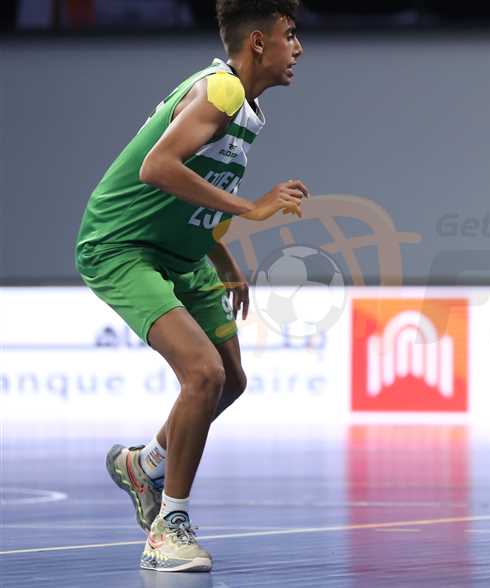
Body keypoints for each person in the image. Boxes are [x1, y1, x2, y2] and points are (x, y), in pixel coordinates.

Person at [75, 0, 307, 573]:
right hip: (122, 247)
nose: (298, 48)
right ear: (258, 42)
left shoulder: (246, 108)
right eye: (289, 35)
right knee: (202, 374)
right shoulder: (220, 90)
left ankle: (143, 465)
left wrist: (222, 255)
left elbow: (193, 187)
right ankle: (167, 529)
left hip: (184, 251)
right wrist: (252, 209)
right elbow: (157, 167)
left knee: (230, 379)